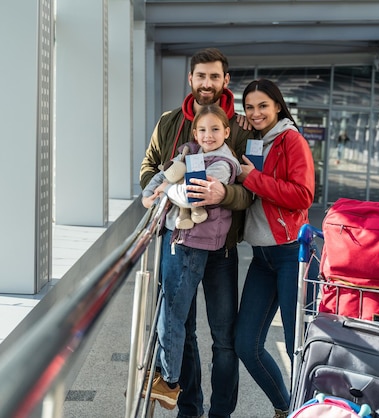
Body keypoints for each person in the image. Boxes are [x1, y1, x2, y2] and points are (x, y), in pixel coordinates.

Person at [140, 48, 252, 418]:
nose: (207, 83)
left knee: (224, 338)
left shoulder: (240, 130)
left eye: (214, 77)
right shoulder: (170, 123)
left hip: (222, 248)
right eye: (200, 76)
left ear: (225, 81)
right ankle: (190, 409)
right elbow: (151, 166)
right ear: (190, 79)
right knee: (181, 329)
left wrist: (226, 193)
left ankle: (222, 413)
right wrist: (153, 192)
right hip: (179, 243)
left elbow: (253, 185)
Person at [233, 79, 316, 418]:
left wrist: (252, 179)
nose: (256, 113)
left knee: (300, 348)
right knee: (245, 344)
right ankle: (286, 406)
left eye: (262, 106)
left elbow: (302, 196)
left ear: (278, 106)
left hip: (293, 254)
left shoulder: (291, 141)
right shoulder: (253, 140)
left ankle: (306, 410)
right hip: (262, 257)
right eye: (250, 107)